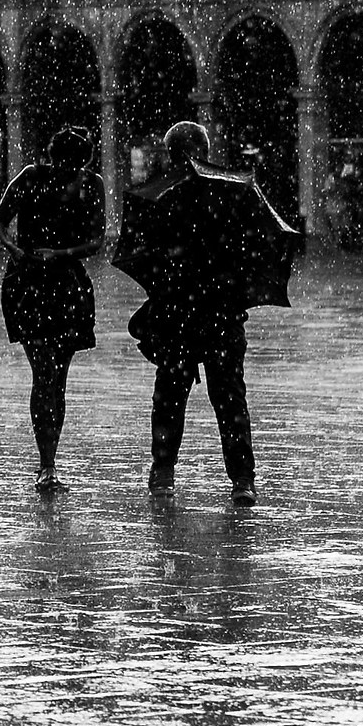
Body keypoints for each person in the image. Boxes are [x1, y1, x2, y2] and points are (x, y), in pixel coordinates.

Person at [118, 120, 289, 506]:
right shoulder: (236, 194)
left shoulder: (157, 197)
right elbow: (254, 252)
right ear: (206, 151)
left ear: (171, 153)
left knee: (168, 397)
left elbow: (149, 260)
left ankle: (163, 474)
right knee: (230, 399)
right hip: (222, 316)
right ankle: (242, 480)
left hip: (175, 315)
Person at [0, 127, 108, 494]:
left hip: (54, 285)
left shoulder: (87, 183)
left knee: (53, 377)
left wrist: (50, 254)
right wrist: (18, 251)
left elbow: (97, 240)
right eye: (61, 164)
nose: (65, 171)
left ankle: (48, 463)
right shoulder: (40, 178)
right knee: (47, 374)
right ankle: (47, 464)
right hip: (36, 284)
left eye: (71, 165)